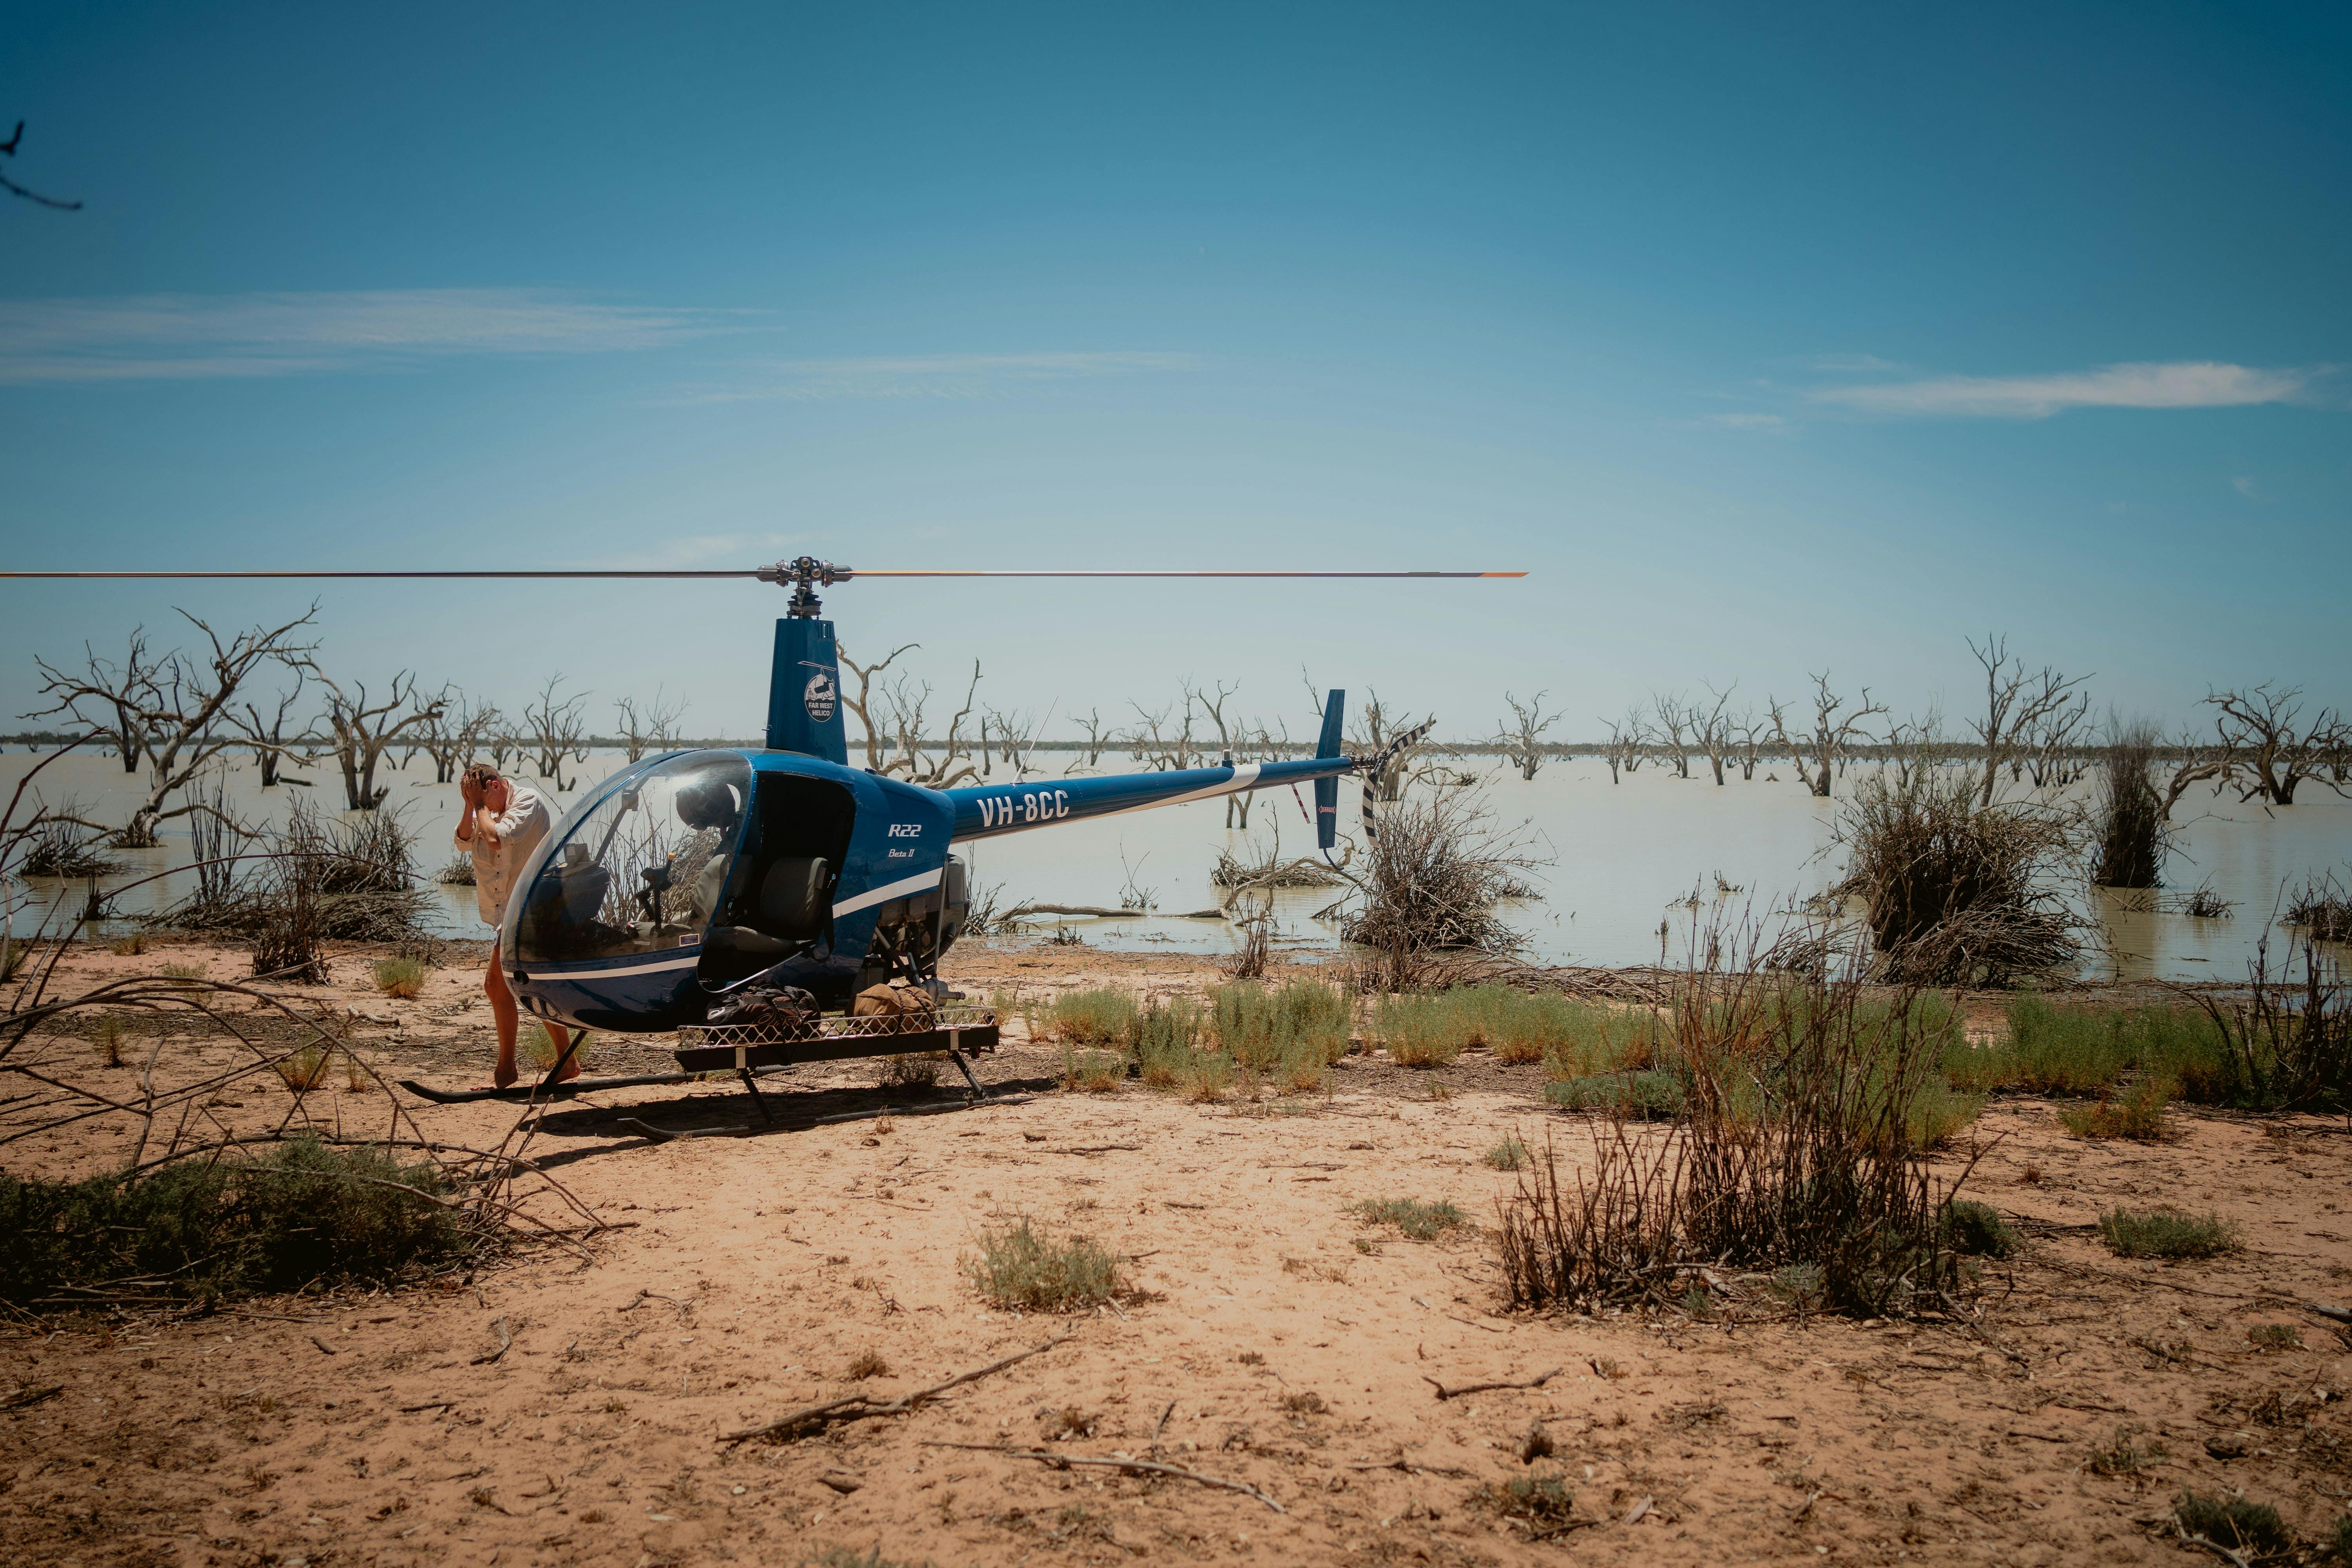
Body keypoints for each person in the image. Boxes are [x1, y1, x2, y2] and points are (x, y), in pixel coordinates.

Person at [454, 762, 574, 1089]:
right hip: (510, 912)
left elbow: (496, 839)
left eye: (480, 796)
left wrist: (481, 806)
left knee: (497, 985)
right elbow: (464, 841)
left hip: (533, 907)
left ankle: (507, 1070)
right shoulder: (485, 809)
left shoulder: (527, 801)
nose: (481, 806)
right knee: (530, 985)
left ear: (495, 786)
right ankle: (565, 1061)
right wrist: (471, 806)